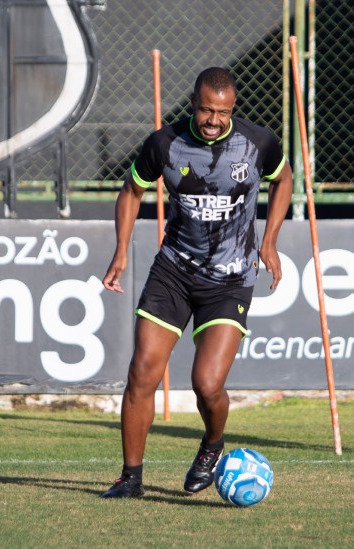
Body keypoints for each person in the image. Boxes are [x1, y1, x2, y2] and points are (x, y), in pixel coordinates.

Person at [100, 67, 293, 498]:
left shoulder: (257, 142)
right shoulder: (165, 144)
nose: (213, 120)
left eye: (222, 112)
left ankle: (212, 445)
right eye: (206, 109)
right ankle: (130, 479)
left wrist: (271, 240)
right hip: (173, 273)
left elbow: (284, 179)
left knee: (206, 384)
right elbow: (132, 191)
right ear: (193, 103)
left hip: (230, 281)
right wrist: (121, 249)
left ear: (232, 109)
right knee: (142, 372)